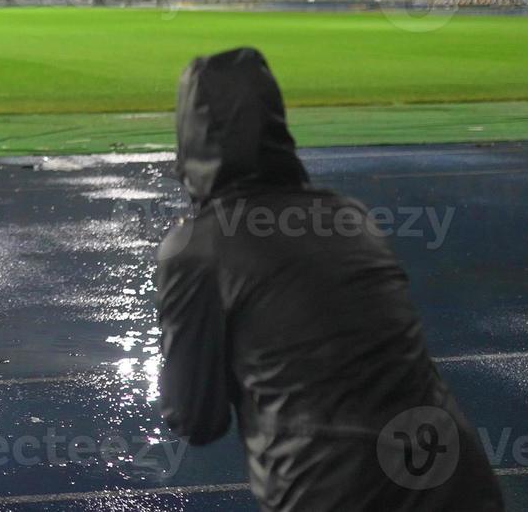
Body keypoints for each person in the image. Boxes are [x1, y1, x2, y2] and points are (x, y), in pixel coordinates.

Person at [154, 48, 502, 511]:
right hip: (459, 485)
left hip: (330, 494)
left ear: (190, 138)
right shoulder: (349, 216)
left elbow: (195, 419)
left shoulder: (196, 247)